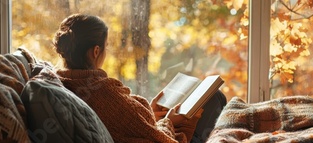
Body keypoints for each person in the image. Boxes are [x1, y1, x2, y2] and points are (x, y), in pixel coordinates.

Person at [52, 13, 226, 143]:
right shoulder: (102, 92)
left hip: (151, 125)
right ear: (96, 51)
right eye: (106, 47)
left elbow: (128, 123)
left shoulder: (62, 81)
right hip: (166, 135)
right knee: (214, 98)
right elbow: (157, 138)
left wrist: (149, 112)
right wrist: (168, 122)